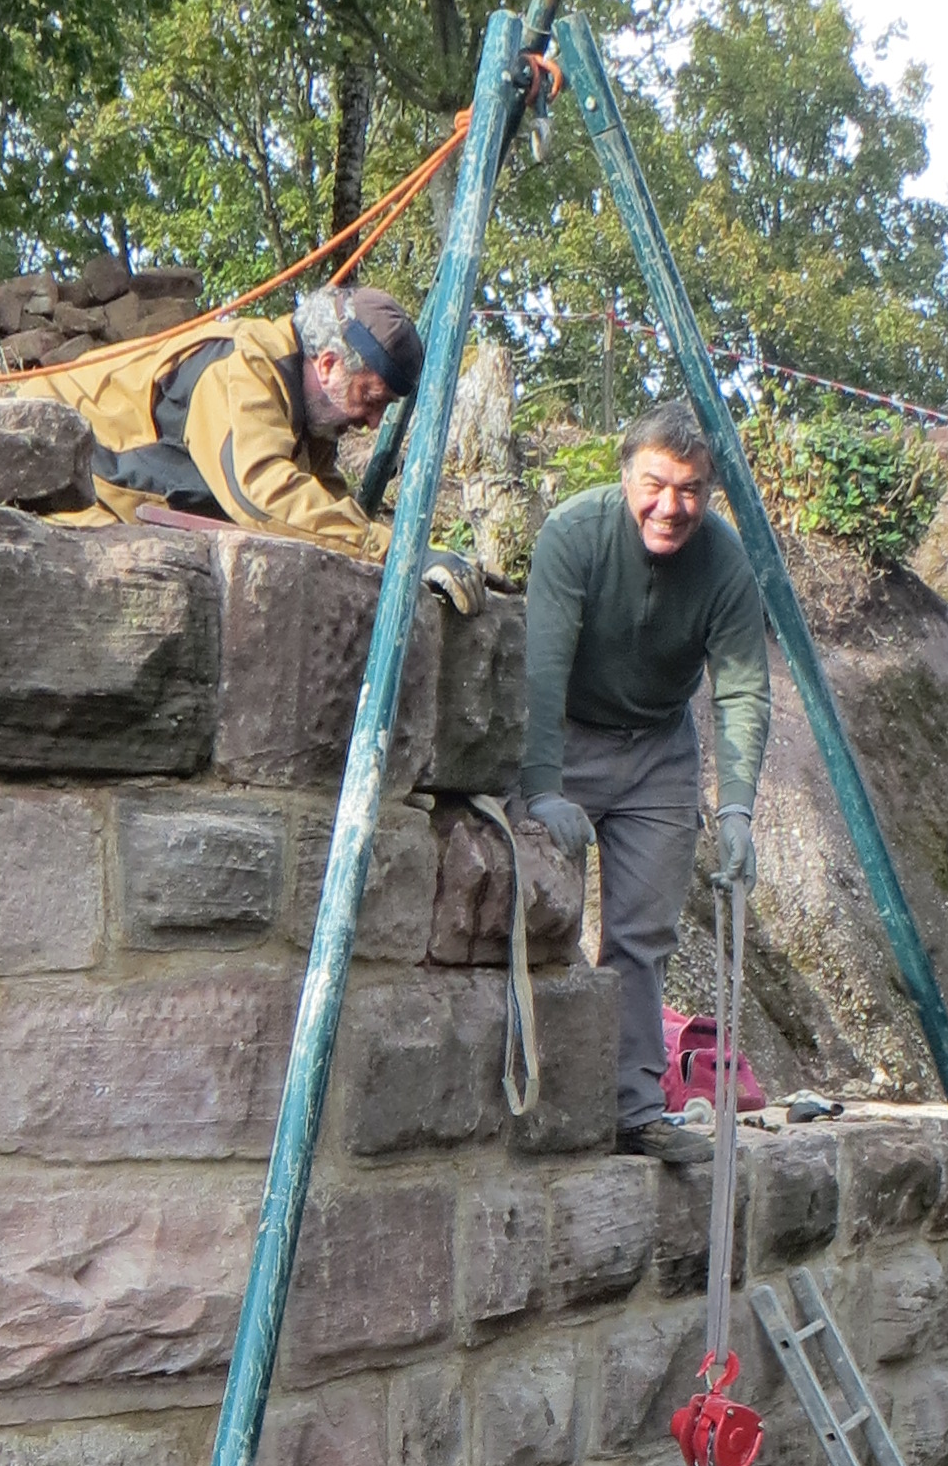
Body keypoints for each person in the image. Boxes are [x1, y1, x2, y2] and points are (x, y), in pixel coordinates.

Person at [518, 399, 771, 1163]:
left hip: (660, 750)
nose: (671, 506)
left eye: (691, 490)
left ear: (710, 492)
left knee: (642, 933)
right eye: (656, 485)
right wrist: (542, 785)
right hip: (569, 731)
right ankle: (527, 1100)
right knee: (535, 915)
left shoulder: (724, 560)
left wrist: (737, 811)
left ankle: (633, 1108)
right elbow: (541, 669)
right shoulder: (575, 534)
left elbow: (741, 688)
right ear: (626, 476)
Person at [44, 277, 476, 603]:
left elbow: (327, 509)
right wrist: (401, 555)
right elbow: (261, 494)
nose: (373, 422)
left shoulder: (312, 415)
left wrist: (425, 555)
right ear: (328, 364)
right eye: (370, 399)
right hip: (50, 481)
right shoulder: (242, 368)